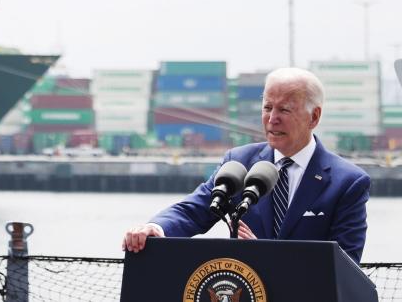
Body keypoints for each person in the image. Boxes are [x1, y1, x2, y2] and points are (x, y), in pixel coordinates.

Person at [122, 67, 370, 263]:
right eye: (267, 107)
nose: (272, 119)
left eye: (284, 109)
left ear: (314, 117)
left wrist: (266, 255)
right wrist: (154, 228)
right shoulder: (238, 163)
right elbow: (194, 209)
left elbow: (345, 263)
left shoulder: (347, 182)